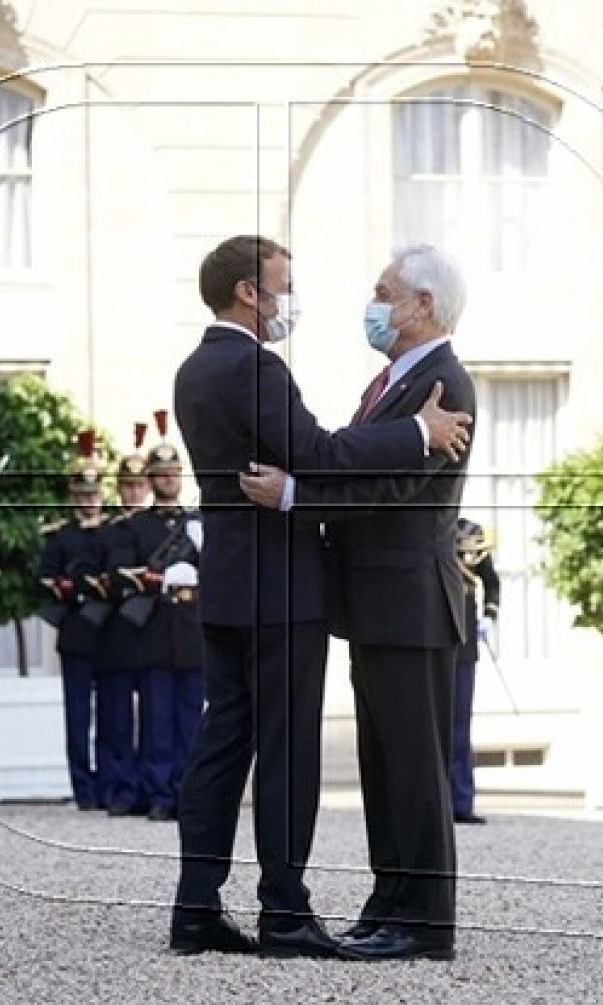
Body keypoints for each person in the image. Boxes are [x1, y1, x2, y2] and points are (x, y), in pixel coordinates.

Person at [170, 234, 470, 958]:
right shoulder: (259, 368)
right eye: (283, 282)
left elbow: (359, 480)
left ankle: (196, 905)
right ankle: (284, 912)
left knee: (224, 744)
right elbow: (324, 452)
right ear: (249, 291)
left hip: (238, 582)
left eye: (382, 293)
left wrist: (304, 487)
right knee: (288, 752)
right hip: (284, 588)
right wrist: (415, 433)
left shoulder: (192, 368)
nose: (292, 298)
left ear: (425, 304)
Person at [106, 420, 203, 823]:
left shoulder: (199, 522)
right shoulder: (133, 527)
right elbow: (120, 574)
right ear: (150, 479)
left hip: (191, 632)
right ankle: (160, 792)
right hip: (153, 633)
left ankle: (190, 794)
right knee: (157, 723)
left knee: (192, 723)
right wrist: (163, 578)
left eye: (173, 472)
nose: (168, 479)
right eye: (160, 474)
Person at [36, 429, 113, 811]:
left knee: (113, 717)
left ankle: (110, 786)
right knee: (78, 716)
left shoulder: (116, 533)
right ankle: (84, 788)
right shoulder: (59, 537)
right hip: (76, 635)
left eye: (94, 495)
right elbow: (46, 581)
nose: (89, 502)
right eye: (82, 496)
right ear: (73, 497)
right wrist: (80, 590)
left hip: (112, 635)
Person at [91, 425, 153, 815]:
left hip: (152, 636)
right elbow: (99, 577)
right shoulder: (107, 532)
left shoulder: (163, 526)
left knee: (153, 721)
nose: (132, 492)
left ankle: (148, 788)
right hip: (115, 634)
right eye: (126, 486)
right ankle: (119, 789)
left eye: (138, 485)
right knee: (115, 721)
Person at [451, 518, 501, 826]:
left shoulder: (470, 533)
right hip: (434, 641)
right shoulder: (435, 530)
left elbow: (491, 582)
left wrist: (489, 617)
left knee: (459, 728)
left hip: (465, 645)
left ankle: (461, 801)